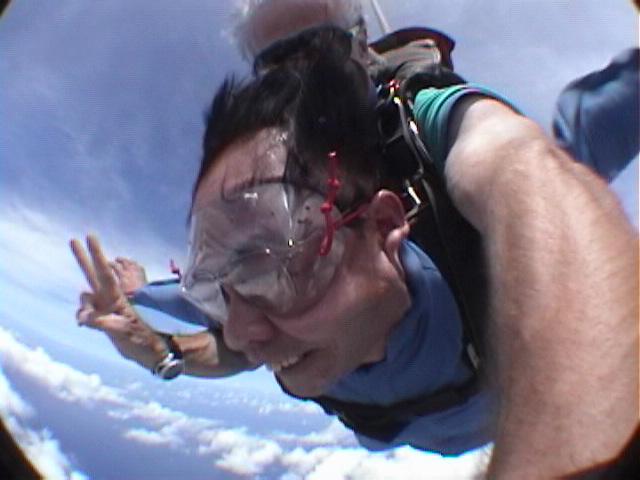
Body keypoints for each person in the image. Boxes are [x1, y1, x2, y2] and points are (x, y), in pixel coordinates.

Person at [71, 30, 638, 477]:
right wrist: (158, 343)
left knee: (573, 149)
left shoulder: (469, 228)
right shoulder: (271, 319)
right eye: (215, 283)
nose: (241, 329)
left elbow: (523, 171)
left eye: (273, 264)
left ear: (387, 224)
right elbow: (233, 346)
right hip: (448, 423)